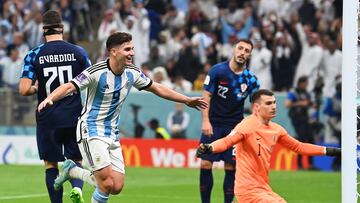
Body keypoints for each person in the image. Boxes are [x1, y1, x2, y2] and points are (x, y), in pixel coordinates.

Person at [37, 32, 207, 203]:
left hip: (112, 133)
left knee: (116, 186)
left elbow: (157, 88)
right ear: (113, 52)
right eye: (127, 49)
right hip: (91, 129)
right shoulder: (96, 72)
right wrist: (50, 98)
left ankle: (72, 170)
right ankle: (73, 171)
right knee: (106, 183)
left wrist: (186, 100)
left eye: (132, 48)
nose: (132, 53)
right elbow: (69, 86)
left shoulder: (133, 73)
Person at [196, 89, 341, 203]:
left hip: (263, 188)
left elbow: (299, 147)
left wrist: (330, 151)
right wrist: (210, 147)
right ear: (257, 107)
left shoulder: (276, 129)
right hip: (248, 190)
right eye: (268, 103)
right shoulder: (247, 125)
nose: (273, 106)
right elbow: (227, 141)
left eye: (274, 102)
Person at [18, 10, 91, 203]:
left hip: (48, 117)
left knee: (51, 165)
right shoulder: (79, 52)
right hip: (74, 116)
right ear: (62, 29)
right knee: (76, 160)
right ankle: (77, 189)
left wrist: (36, 88)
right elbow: (91, 81)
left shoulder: (34, 54)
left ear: (43, 31)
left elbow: (24, 89)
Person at [199, 39, 259, 203]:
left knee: (231, 167)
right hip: (213, 124)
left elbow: (256, 106)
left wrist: (252, 127)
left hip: (235, 128)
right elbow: (206, 97)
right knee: (205, 164)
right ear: (234, 49)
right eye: (240, 48)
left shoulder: (251, 80)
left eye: (247, 50)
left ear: (249, 54)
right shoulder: (217, 71)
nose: (242, 53)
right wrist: (205, 121)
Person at [285, 76, 316, 170]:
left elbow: (310, 104)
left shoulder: (306, 93)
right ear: (301, 83)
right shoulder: (294, 92)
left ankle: (310, 164)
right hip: (297, 120)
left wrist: (312, 105)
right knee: (301, 141)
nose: (306, 85)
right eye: (305, 83)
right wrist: (300, 103)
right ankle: (299, 164)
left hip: (306, 119)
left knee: (311, 140)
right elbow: (287, 104)